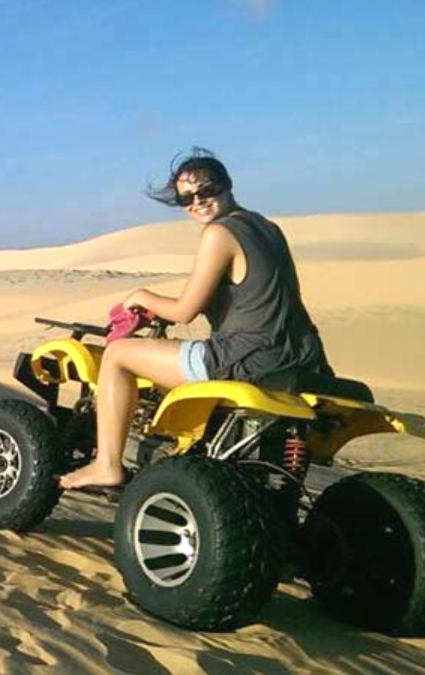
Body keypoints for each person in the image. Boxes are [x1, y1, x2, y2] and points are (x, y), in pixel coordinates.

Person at [59, 148, 330, 491]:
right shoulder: (267, 227)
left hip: (246, 356)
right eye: (186, 199)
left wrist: (140, 296)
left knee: (117, 356)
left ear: (227, 184)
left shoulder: (219, 233)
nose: (197, 202)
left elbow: (185, 310)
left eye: (207, 190)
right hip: (303, 355)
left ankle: (106, 464)